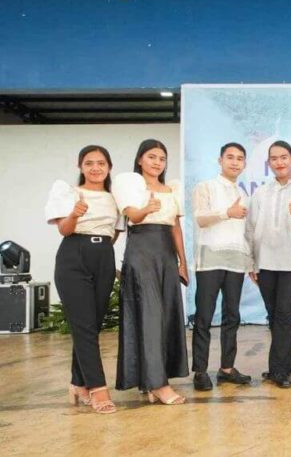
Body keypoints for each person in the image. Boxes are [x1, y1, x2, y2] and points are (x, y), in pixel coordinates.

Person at [44, 145, 121, 414]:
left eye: (101, 163)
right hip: (73, 256)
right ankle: (98, 389)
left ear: (109, 167)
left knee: (92, 325)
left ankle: (78, 383)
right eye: (89, 163)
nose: (96, 168)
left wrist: (102, 250)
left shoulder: (114, 197)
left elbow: (115, 232)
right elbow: (64, 231)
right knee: (85, 327)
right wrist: (74, 214)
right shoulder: (71, 193)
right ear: (80, 167)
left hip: (103, 258)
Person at [112, 139, 189, 405]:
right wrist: (147, 208)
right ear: (140, 160)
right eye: (152, 157)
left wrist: (183, 262)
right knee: (148, 314)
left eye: (162, 158)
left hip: (166, 253)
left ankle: (152, 379)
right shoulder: (130, 185)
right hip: (141, 252)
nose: (157, 162)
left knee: (165, 315)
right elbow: (133, 216)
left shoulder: (172, 189)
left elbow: (176, 228)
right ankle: (158, 384)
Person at [246, 141, 291, 388]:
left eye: (284, 157)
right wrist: (251, 262)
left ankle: (278, 371)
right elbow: (251, 228)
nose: (279, 162)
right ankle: (288, 361)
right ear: (269, 163)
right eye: (274, 158)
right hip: (264, 261)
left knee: (284, 314)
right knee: (274, 315)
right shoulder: (261, 192)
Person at [190, 142, 252, 391]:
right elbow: (201, 219)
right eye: (230, 157)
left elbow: (246, 232)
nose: (235, 162)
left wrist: (250, 262)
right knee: (204, 316)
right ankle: (200, 371)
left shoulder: (244, 194)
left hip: (236, 262)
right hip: (210, 261)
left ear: (244, 164)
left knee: (232, 315)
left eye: (239, 158)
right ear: (220, 160)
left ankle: (227, 368)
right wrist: (228, 212)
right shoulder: (204, 187)